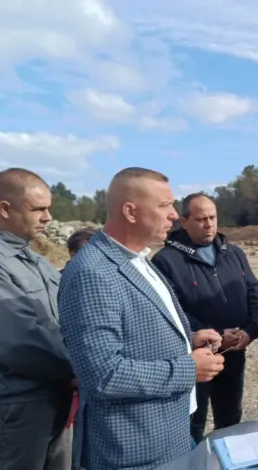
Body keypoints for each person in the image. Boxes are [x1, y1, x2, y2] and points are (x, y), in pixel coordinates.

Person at [57, 167, 226, 470]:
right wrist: (189, 368)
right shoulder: (92, 273)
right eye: (164, 205)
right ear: (130, 212)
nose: (174, 215)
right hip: (134, 452)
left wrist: (187, 340)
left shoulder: (138, 259)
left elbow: (135, 333)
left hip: (169, 436)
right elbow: (104, 375)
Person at [152, 192, 258, 443]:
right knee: (193, 421)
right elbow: (171, 312)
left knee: (231, 418)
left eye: (213, 218)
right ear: (184, 221)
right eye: (201, 219)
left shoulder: (233, 253)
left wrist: (250, 331)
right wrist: (215, 335)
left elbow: (254, 292)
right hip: (194, 357)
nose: (209, 224)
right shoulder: (166, 261)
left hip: (234, 352)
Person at [0, 168, 75, 470]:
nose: (48, 217)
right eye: (38, 209)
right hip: (14, 410)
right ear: (5, 209)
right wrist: (82, 366)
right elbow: (19, 343)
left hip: (53, 398)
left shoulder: (36, 260)